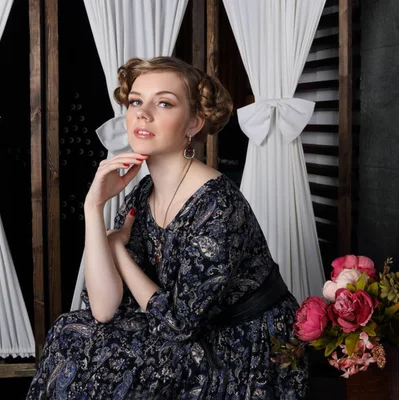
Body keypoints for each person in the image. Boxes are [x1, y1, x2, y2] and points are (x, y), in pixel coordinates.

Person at [27, 56, 308, 399]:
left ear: (193, 122)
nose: (143, 113)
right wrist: (93, 207)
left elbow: (179, 324)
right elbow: (103, 308)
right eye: (135, 101)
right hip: (181, 327)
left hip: (243, 341)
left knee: (104, 361)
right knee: (68, 331)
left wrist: (116, 248)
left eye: (164, 102)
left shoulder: (217, 205)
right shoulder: (143, 191)